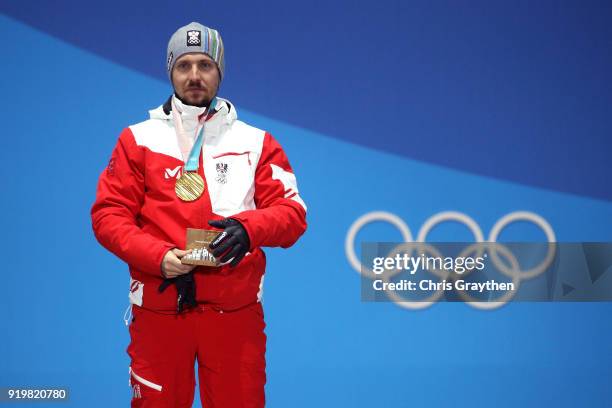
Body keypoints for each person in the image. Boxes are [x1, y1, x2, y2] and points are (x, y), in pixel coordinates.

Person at [91, 21, 307, 407]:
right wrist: (157, 257)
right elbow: (108, 216)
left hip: (234, 314)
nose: (194, 75)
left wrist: (248, 229)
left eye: (205, 65)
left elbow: (292, 214)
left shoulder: (256, 142)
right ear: (170, 70)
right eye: (184, 65)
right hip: (161, 309)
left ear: (219, 71)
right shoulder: (137, 138)